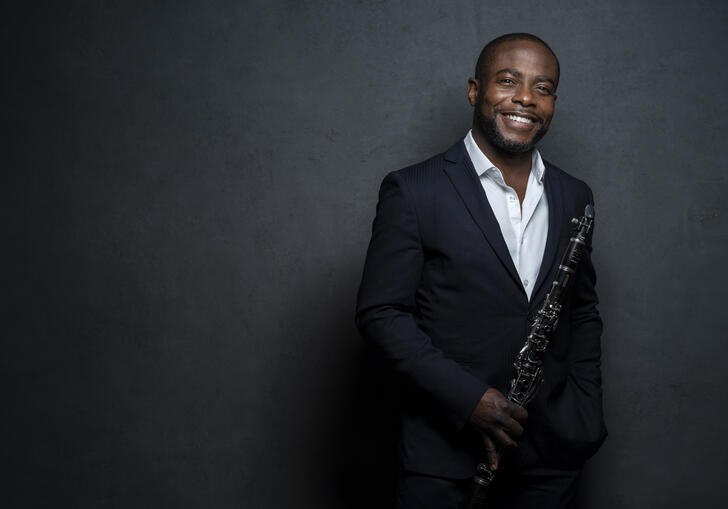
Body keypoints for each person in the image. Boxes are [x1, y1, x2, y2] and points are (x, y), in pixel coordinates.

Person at [355, 33, 607, 508]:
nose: (526, 99)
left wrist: (584, 408)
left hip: (551, 453)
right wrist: (470, 399)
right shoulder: (414, 189)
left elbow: (583, 311)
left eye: (543, 88)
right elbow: (382, 315)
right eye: (508, 81)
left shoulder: (575, 195)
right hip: (444, 453)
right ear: (475, 90)